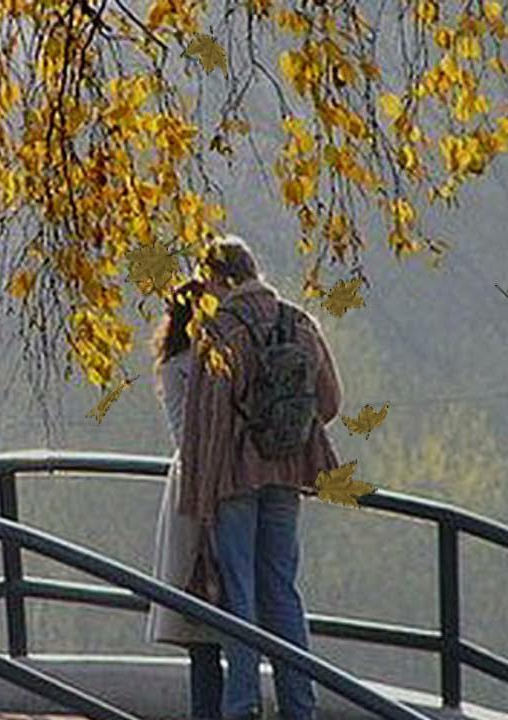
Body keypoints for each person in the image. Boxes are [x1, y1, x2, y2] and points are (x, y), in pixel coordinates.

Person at [179, 236, 343, 720]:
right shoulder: (298, 321)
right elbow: (330, 402)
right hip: (290, 472)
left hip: (233, 478)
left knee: (238, 590)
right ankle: (299, 703)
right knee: (282, 589)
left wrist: (199, 498)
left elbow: (203, 425)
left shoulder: (221, 329)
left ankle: (242, 704)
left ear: (219, 278)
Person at [145, 278, 225, 720]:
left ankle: (208, 709)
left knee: (201, 622)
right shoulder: (198, 364)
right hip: (205, 489)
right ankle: (216, 709)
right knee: (214, 603)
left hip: (189, 486)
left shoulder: (173, 364)